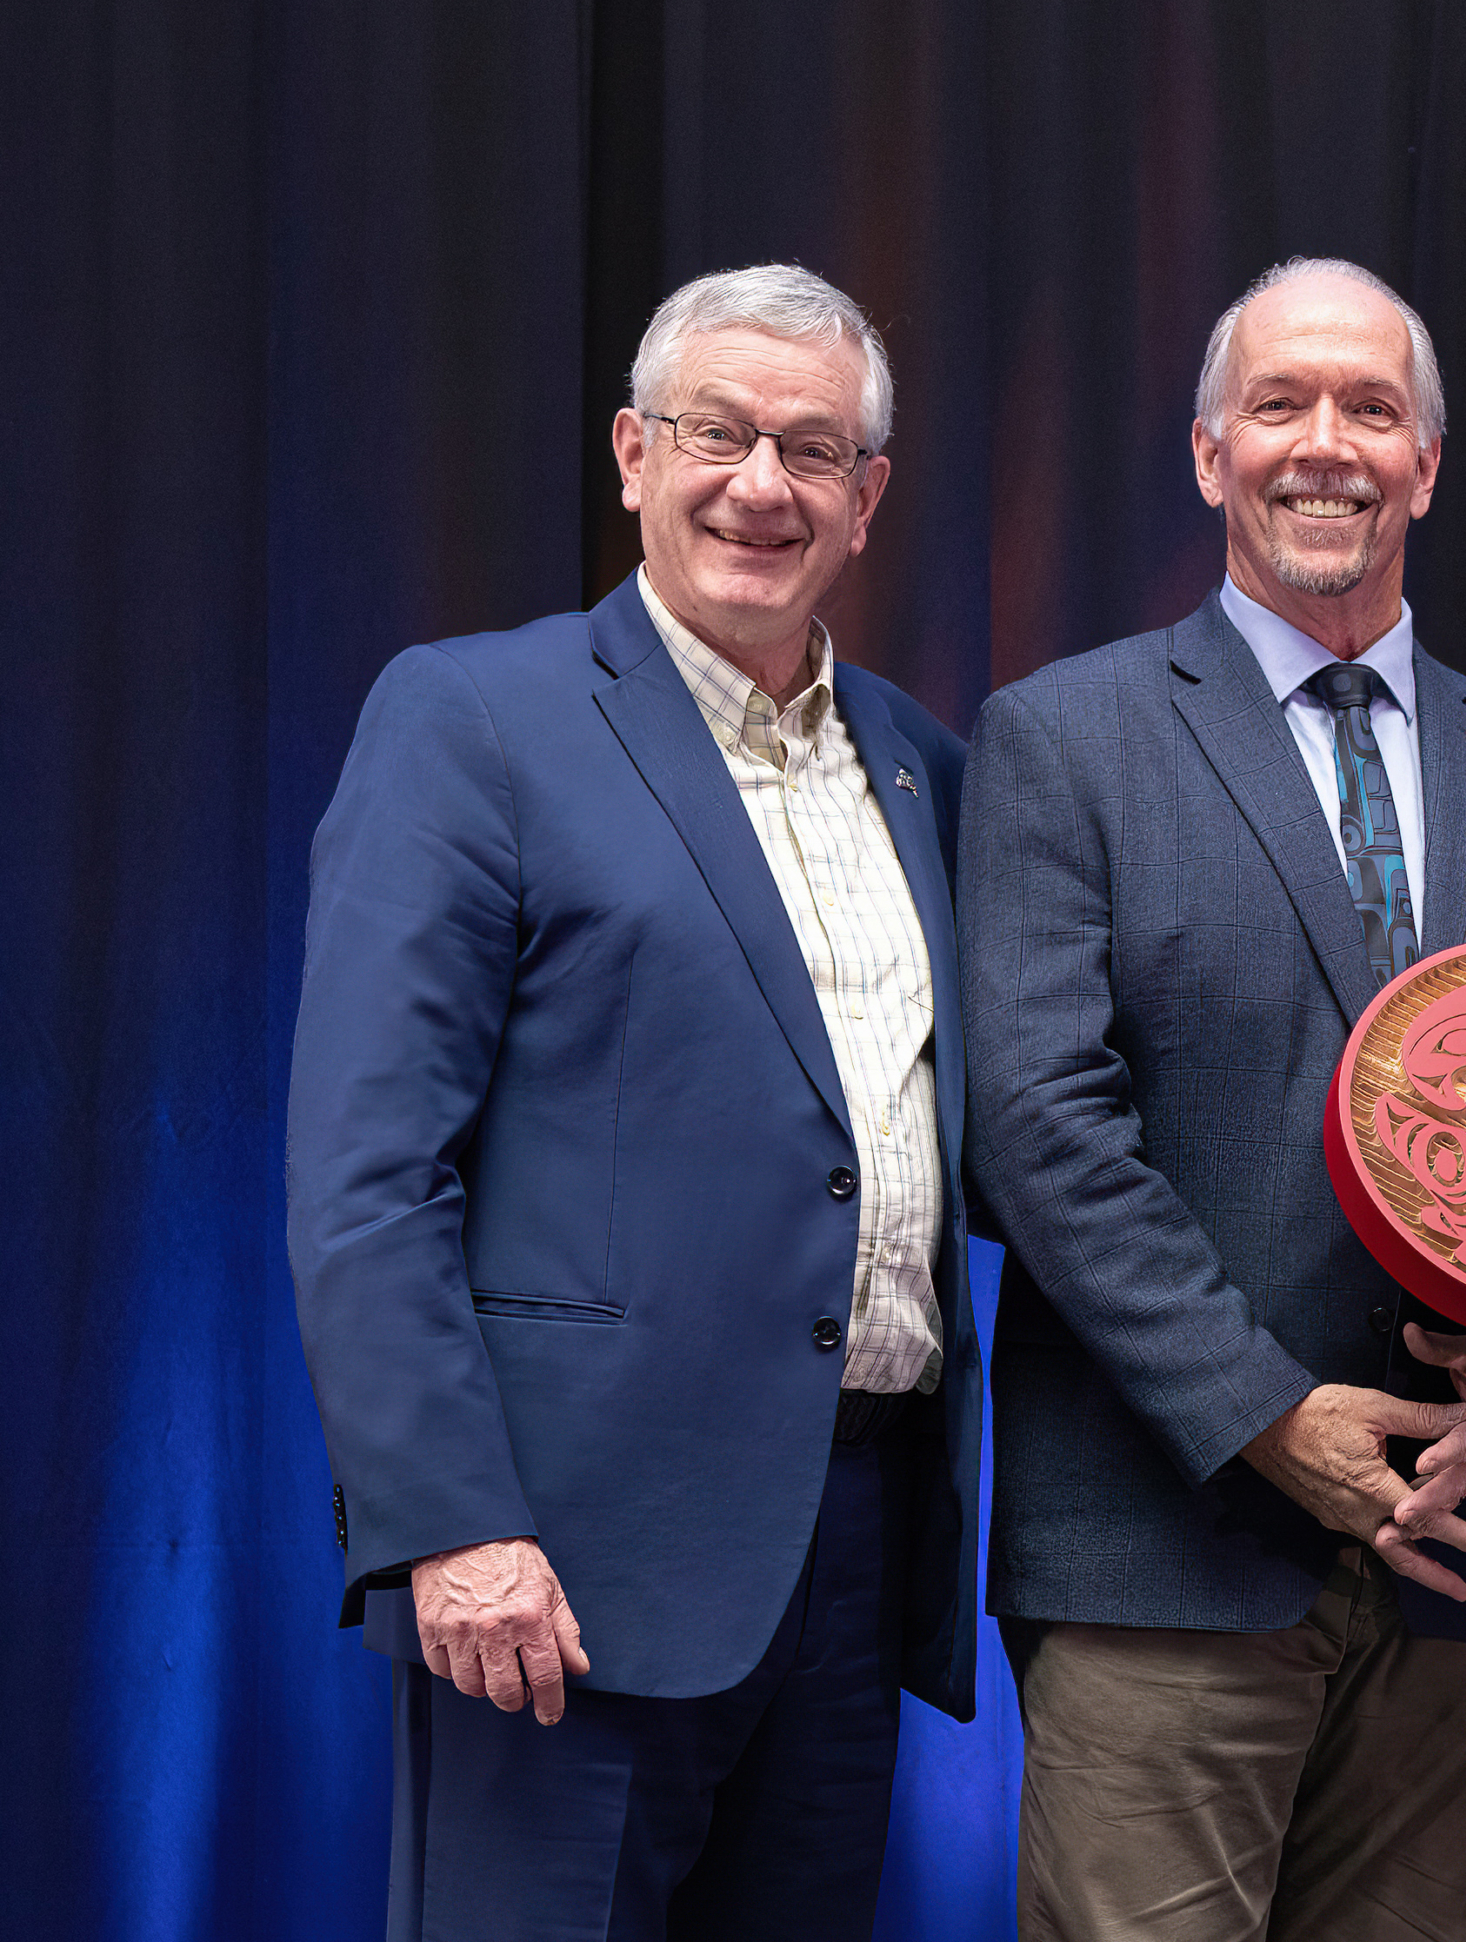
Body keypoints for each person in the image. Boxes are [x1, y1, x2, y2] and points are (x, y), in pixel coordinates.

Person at [286, 263, 977, 1941]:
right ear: (631, 454)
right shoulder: (473, 719)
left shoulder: (924, 763)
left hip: (853, 1548)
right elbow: (370, 1172)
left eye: (811, 449)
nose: (762, 481)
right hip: (560, 1574)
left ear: (868, 499)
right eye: (717, 432)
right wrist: (453, 1524)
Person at [958, 256, 1466, 1942]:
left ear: (1429, 463)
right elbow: (1040, 1128)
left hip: (1463, 1568)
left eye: (1371, 409)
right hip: (1167, 1555)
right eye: (1280, 404)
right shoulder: (1065, 739)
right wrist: (1268, 1416)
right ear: (1205, 452)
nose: (1325, 445)